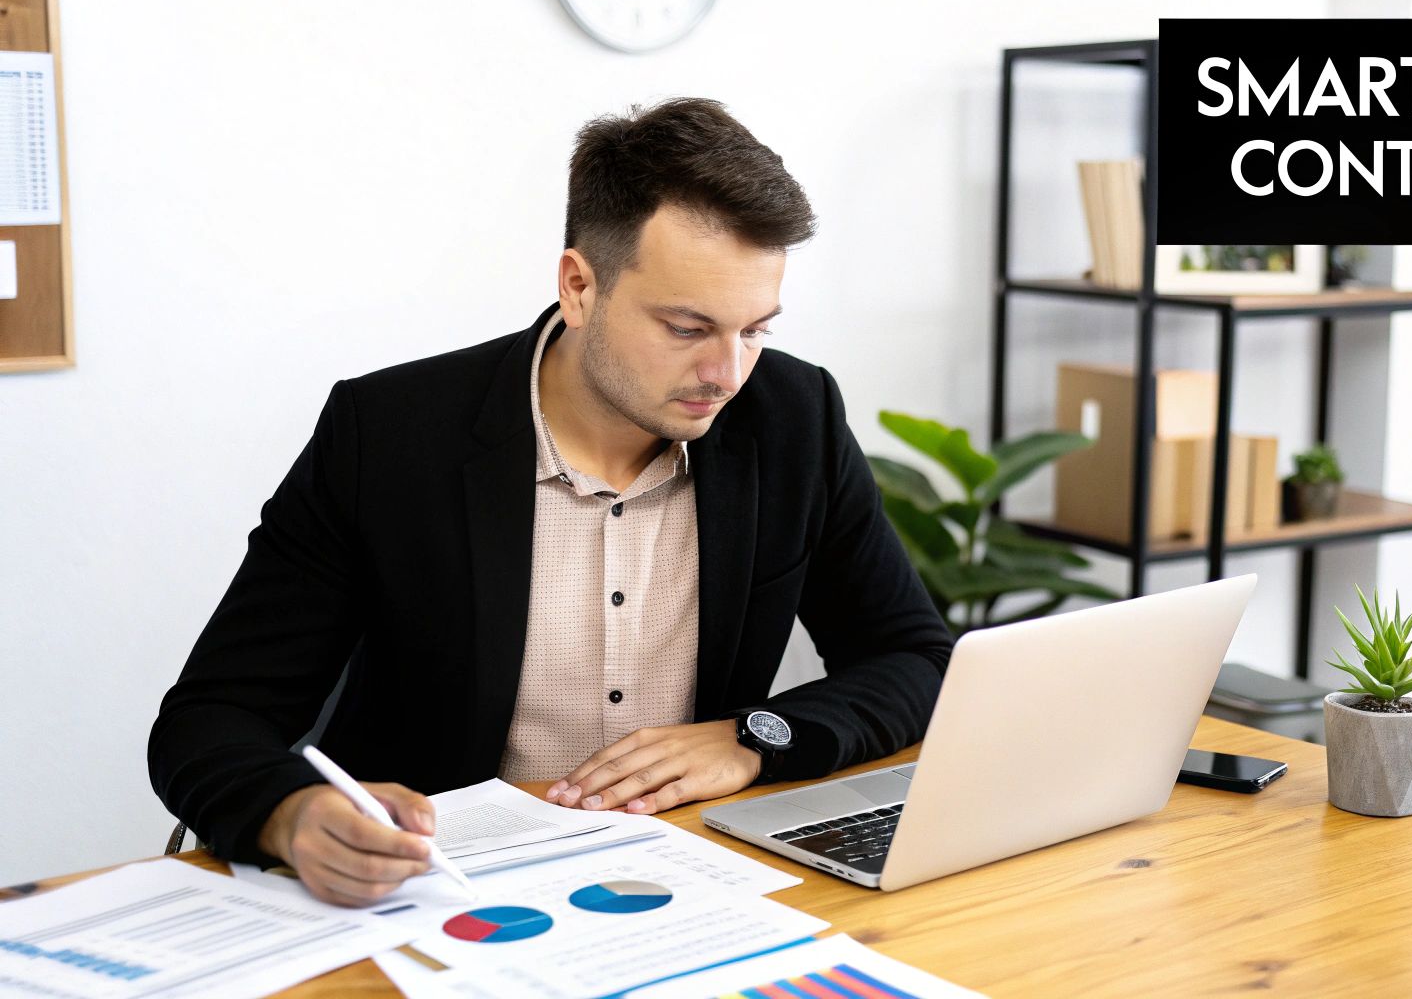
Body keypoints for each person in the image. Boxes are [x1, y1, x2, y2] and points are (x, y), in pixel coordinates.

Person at [148, 98, 953, 907]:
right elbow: (212, 717)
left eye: (756, 330)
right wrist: (292, 815)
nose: (728, 373)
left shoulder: (794, 419)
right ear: (578, 285)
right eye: (686, 328)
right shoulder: (388, 436)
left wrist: (754, 741)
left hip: (685, 879)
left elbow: (915, 657)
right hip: (437, 894)